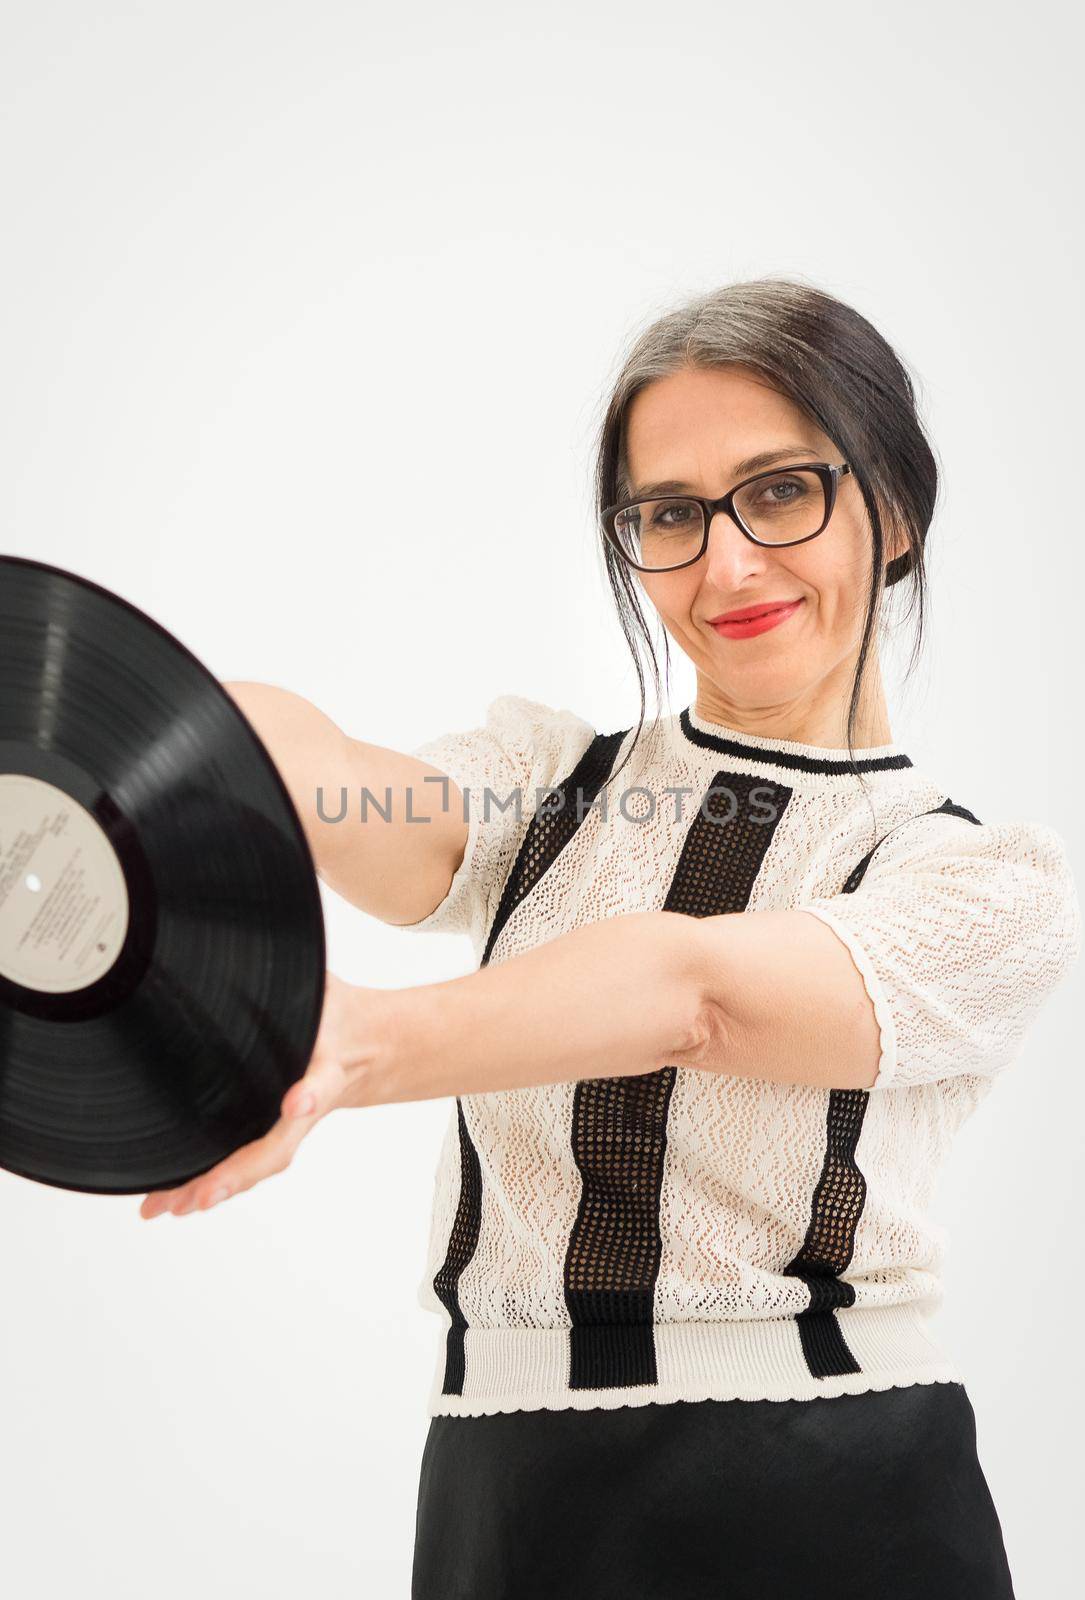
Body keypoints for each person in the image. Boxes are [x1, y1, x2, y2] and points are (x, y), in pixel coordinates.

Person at [139, 278, 1080, 1598]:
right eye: (668, 517)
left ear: (896, 513)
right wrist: (161, 745)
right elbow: (350, 786)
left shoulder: (975, 882)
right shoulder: (549, 784)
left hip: (822, 1493)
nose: (725, 564)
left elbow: (693, 991)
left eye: (780, 491)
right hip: (497, 1490)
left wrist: (360, 1043)